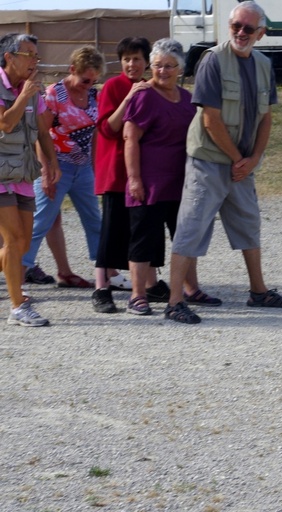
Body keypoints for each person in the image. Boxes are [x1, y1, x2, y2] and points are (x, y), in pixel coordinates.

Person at [166, 0, 282, 324]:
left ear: (261, 33)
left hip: (242, 165)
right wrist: (241, 159)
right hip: (208, 161)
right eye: (236, 25)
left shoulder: (264, 64)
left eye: (248, 28)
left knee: (249, 226)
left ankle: (259, 291)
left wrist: (253, 159)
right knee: (190, 228)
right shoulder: (212, 61)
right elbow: (210, 119)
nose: (240, 32)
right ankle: (174, 302)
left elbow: (266, 118)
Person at [122, 38, 220, 316]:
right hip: (149, 184)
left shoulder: (188, 99)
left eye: (169, 66)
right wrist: (134, 179)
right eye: (157, 65)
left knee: (185, 237)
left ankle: (192, 288)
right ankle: (138, 295)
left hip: (183, 183)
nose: (162, 71)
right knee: (144, 240)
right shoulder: (143, 96)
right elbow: (129, 138)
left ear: (180, 68)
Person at [22, 45, 105, 290]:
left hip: (83, 169)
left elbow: (95, 133)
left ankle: (105, 274)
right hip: (58, 166)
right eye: (84, 80)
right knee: (41, 222)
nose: (88, 85)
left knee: (95, 221)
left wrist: (96, 167)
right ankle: (18, 272)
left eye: (93, 81)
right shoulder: (54, 94)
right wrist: (46, 172)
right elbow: (41, 134)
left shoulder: (93, 95)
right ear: (72, 70)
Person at [93, 37, 160, 314]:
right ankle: (101, 288)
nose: (132, 64)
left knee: (143, 230)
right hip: (115, 171)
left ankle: (150, 285)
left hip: (144, 171)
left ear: (147, 62)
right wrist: (130, 96)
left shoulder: (153, 87)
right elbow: (108, 128)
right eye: (126, 59)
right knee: (111, 230)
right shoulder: (113, 86)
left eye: (137, 59)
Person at [0, 33, 60, 326]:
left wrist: (51, 161)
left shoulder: (33, 89)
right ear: (9, 56)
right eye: (29, 54)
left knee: (22, 244)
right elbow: (5, 123)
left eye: (36, 55)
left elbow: (41, 128)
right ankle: (17, 306)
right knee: (12, 239)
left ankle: (11, 283)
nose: (35, 60)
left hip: (23, 171)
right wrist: (23, 94)